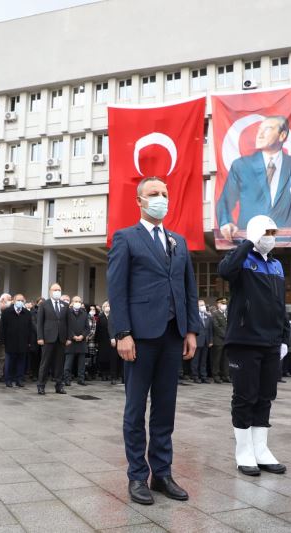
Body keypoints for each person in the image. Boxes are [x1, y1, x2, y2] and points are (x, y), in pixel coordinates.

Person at [107, 176, 200, 505]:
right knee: (135, 409)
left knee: (165, 408)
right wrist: (122, 332)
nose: (160, 198)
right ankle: (137, 476)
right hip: (140, 337)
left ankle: (162, 473)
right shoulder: (126, 238)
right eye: (153, 194)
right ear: (139, 201)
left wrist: (191, 330)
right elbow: (116, 289)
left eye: (164, 194)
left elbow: (189, 288)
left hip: (173, 335)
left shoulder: (178, 241)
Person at [218, 215, 288, 477]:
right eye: (266, 232)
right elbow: (225, 271)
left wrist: (284, 337)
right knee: (245, 396)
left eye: (273, 232)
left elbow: (281, 304)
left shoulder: (278, 265)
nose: (271, 237)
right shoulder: (242, 259)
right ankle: (244, 452)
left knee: (265, 396)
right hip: (244, 340)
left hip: (270, 342)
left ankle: (261, 450)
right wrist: (247, 242)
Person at [217, 116, 291, 242]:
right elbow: (225, 201)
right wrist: (225, 223)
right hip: (249, 242)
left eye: (267, 129)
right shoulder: (241, 166)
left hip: (288, 241)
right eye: (259, 130)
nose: (260, 134)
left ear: (282, 136)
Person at [36, 283, 69, 395]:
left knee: (60, 363)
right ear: (50, 291)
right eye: (55, 289)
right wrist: (40, 337)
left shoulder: (65, 305)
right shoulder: (44, 304)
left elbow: (68, 322)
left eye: (59, 289)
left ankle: (59, 385)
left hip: (61, 338)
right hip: (47, 338)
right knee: (45, 363)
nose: (57, 291)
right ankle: (41, 385)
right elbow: (39, 323)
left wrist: (68, 337)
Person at [0, 294, 35, 387]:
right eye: (18, 300)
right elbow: (2, 328)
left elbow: (30, 328)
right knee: (9, 362)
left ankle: (19, 379)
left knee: (21, 362)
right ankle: (8, 379)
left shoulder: (27, 313)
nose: (20, 302)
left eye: (22, 300)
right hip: (10, 342)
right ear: (14, 301)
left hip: (23, 342)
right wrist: (3, 341)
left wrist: (29, 341)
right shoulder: (7, 312)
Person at [64, 295, 89, 386]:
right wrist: (73, 336)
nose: (77, 303)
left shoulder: (84, 313)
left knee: (82, 363)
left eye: (79, 302)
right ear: (72, 303)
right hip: (71, 341)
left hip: (82, 342)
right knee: (68, 362)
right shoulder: (68, 312)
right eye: (76, 301)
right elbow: (66, 326)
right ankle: (67, 379)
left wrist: (82, 336)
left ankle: (81, 379)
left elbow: (87, 328)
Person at [96, 301, 119, 384]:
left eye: (109, 305)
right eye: (106, 305)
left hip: (112, 340)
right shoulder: (100, 317)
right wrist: (97, 341)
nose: (107, 307)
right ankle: (104, 374)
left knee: (113, 358)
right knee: (103, 358)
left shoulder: (114, 316)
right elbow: (97, 330)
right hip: (103, 340)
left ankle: (113, 375)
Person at [191, 300, 213, 383]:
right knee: (195, 360)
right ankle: (195, 376)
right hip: (197, 340)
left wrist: (210, 340)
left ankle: (203, 376)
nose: (203, 306)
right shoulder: (194, 316)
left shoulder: (208, 316)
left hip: (206, 341)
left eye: (203, 305)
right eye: (201, 305)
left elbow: (210, 330)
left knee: (203, 360)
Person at [210, 297, 229, 383]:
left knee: (226, 359)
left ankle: (225, 375)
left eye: (225, 303)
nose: (224, 305)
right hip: (218, 339)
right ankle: (216, 375)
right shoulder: (215, 314)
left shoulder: (227, 313)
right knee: (217, 359)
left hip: (227, 340)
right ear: (218, 304)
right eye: (222, 303)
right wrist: (226, 335)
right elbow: (216, 327)